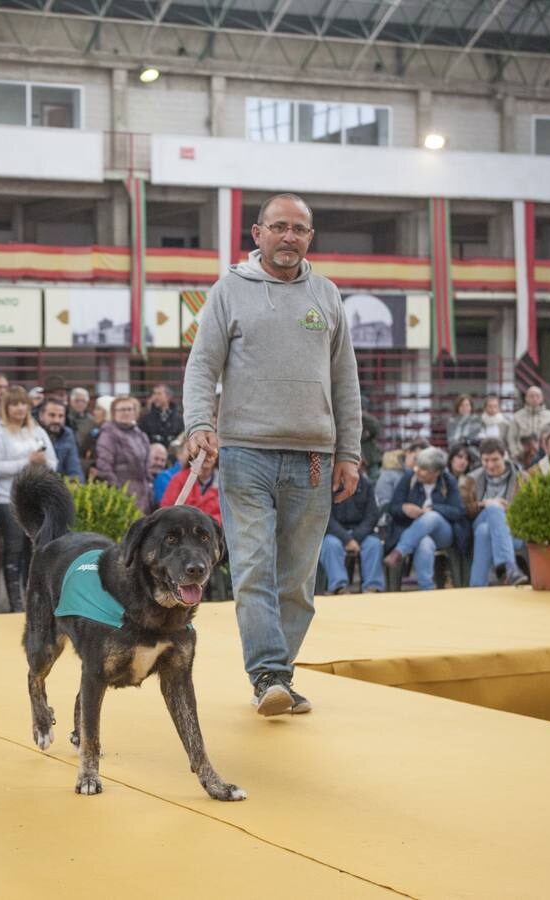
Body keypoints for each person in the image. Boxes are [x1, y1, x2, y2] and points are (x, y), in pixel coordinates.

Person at [183, 193, 363, 717]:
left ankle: (277, 674)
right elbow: (201, 367)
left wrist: (348, 452)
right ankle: (267, 675)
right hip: (245, 454)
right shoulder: (229, 290)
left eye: (300, 229)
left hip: (314, 458)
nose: (289, 237)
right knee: (255, 569)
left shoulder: (326, 295)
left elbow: (345, 382)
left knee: (298, 583)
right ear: (257, 234)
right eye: (278, 227)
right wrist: (199, 424)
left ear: (311, 237)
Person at [0, 385, 57, 613]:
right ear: (5, 408)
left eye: (23, 403)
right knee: (14, 550)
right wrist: (27, 462)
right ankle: (15, 603)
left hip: (37, 501)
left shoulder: (37, 431)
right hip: (9, 499)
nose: (19, 408)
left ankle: (33, 601)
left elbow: (53, 463)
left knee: (35, 552)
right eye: (14, 404)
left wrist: (42, 462)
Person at [383, 447, 469, 591]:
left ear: (435, 473)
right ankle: (426, 589)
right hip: (415, 533)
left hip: (443, 533)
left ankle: (399, 552)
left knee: (432, 516)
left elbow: (459, 511)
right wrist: (404, 509)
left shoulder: (448, 481)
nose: (418, 470)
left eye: (423, 469)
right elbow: (393, 507)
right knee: (424, 543)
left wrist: (434, 508)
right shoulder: (409, 478)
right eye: (418, 466)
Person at [462, 438, 530, 587]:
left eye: (495, 459)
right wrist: (483, 504)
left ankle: (476, 587)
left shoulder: (522, 478)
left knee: (484, 532)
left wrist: (508, 508)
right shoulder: (471, 479)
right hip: (481, 518)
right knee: (493, 507)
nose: (490, 465)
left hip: (513, 530)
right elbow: (464, 509)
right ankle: (510, 567)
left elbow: (529, 509)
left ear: (504, 456)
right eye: (486, 460)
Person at [317, 466, 383, 594]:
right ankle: (339, 587)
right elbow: (326, 518)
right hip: (335, 532)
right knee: (330, 545)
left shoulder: (366, 484)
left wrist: (355, 538)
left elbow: (372, 515)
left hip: (361, 532)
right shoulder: (326, 484)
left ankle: (372, 587)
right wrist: (347, 539)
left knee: (373, 544)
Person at [94, 395, 153, 512]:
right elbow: (104, 468)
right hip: (123, 496)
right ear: (113, 413)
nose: (126, 413)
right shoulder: (108, 434)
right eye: (121, 409)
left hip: (143, 495)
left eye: (129, 409)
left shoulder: (140, 434)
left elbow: (147, 467)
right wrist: (119, 492)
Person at [159, 451, 221, 523]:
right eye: (201, 451)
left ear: (217, 455)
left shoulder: (224, 483)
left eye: (210, 452)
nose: (206, 456)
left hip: (213, 531)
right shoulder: (179, 479)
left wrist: (207, 522)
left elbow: (229, 513)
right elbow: (166, 510)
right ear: (193, 454)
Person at [506, 387, 550, 453]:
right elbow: (511, 438)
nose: (534, 399)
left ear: (542, 398)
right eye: (531, 396)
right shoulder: (517, 416)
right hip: (523, 456)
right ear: (526, 398)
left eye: (537, 396)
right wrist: (515, 452)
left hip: (545, 455)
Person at [39, 398, 83, 481]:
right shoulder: (34, 434)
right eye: (52, 415)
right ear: (41, 416)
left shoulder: (67, 434)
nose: (57, 420)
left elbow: (75, 469)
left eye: (61, 416)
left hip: (62, 487)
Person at [138, 384, 184, 448]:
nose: (155, 397)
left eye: (159, 394)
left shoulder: (180, 419)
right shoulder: (145, 419)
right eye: (154, 394)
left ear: (168, 396)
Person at [153, 438, 187, 506]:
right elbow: (166, 507)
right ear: (179, 454)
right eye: (189, 450)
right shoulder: (164, 477)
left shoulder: (202, 479)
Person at [359, 397, 383, 478]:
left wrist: (365, 416)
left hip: (370, 456)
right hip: (358, 455)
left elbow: (376, 429)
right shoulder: (352, 419)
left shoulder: (369, 420)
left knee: (374, 478)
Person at [70, 387, 96, 453]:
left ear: (87, 402)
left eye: (83, 401)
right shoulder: (64, 417)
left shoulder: (92, 421)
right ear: (71, 401)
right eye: (77, 401)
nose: (80, 404)